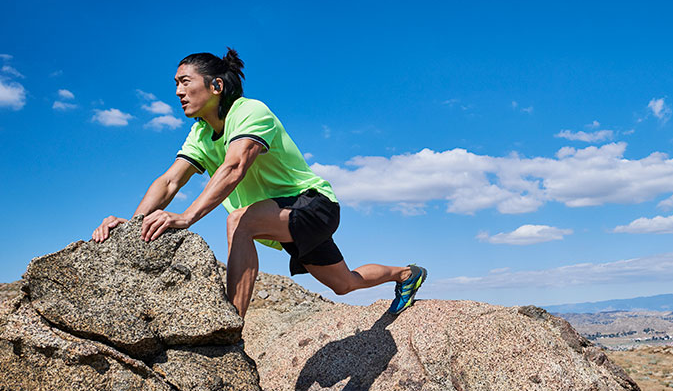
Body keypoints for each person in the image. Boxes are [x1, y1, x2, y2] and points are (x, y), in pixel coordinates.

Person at [92, 48, 426, 317]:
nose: (178, 92)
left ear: (216, 85)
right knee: (344, 283)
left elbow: (235, 166)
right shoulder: (200, 134)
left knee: (239, 220)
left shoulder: (250, 111)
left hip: (312, 204)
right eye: (175, 84)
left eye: (184, 82)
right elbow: (168, 181)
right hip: (282, 220)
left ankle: (230, 327)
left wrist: (185, 217)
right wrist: (133, 226)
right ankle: (406, 274)